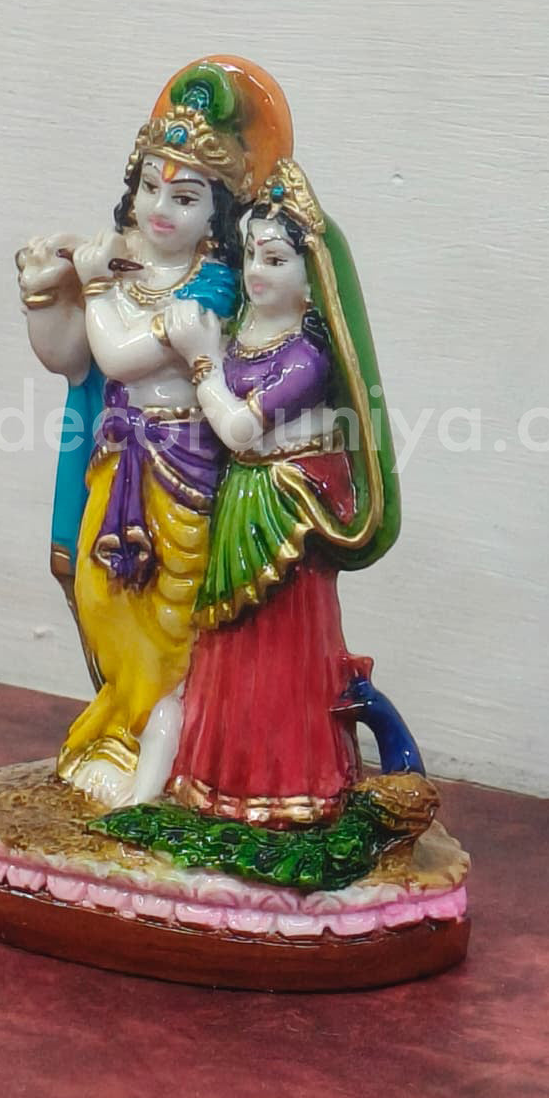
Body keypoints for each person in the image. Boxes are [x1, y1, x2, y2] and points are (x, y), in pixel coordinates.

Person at [16, 58, 292, 807]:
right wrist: (46, 294)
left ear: (218, 213)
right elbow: (71, 358)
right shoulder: (126, 266)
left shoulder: (215, 285)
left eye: (186, 197)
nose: (160, 209)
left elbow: (120, 356)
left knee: (168, 612)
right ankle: (118, 730)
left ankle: (166, 745)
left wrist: (93, 282)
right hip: (115, 461)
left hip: (180, 467)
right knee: (102, 592)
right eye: (149, 187)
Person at [159, 158, 403, 827]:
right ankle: (216, 782)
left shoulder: (307, 357)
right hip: (238, 501)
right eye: (250, 257)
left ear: (312, 276)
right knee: (227, 644)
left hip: (286, 512)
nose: (256, 273)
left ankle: (290, 784)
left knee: (280, 648)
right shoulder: (243, 332)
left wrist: (202, 360)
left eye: (274, 259)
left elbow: (239, 429)